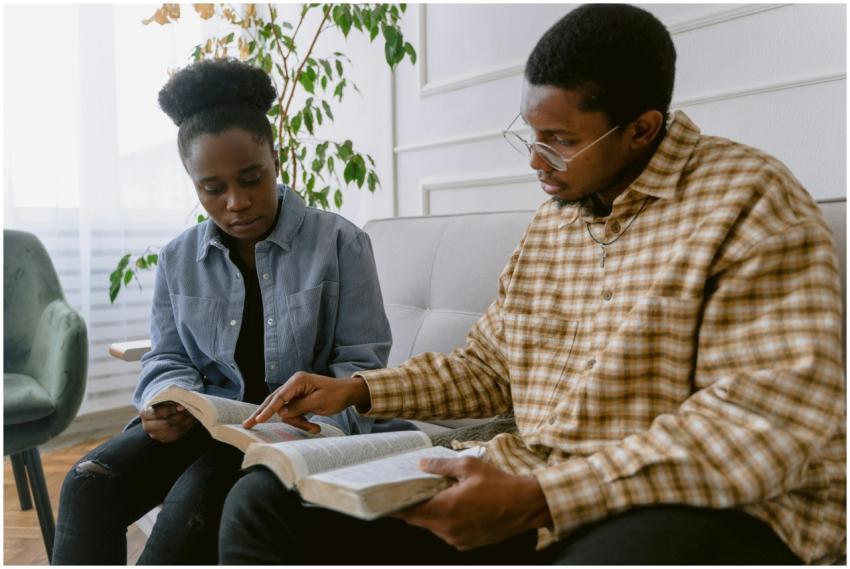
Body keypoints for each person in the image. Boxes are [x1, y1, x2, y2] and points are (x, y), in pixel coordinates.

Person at [217, 4, 845, 565]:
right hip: (532, 487)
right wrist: (357, 390)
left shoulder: (749, 201)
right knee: (266, 504)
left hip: (698, 506)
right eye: (532, 134)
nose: (535, 160)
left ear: (642, 129)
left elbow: (759, 426)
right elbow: (490, 368)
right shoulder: (555, 220)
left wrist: (544, 496)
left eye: (561, 141)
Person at [52, 58, 413, 565]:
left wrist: (313, 415)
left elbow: (362, 364)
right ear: (193, 182)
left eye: (251, 179)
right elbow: (167, 355)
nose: (237, 202)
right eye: (213, 189)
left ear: (275, 161)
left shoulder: (340, 243)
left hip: (294, 432)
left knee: (189, 513)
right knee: (86, 484)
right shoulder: (178, 257)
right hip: (205, 424)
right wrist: (162, 401)